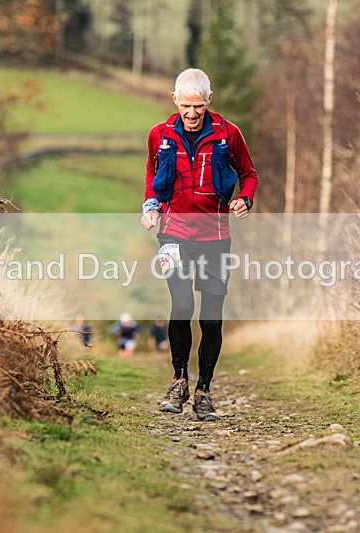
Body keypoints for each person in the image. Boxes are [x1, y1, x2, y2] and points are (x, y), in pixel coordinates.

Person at [140, 68, 258, 421]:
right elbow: (151, 170)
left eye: (199, 107)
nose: (192, 114)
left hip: (216, 237)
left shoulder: (229, 134)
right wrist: (150, 206)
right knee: (180, 303)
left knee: (211, 319)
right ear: (175, 100)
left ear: (209, 100)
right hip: (174, 234)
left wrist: (245, 200)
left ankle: (204, 391)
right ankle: (178, 383)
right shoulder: (159, 135)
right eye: (186, 106)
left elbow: (249, 175)